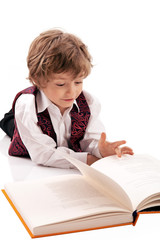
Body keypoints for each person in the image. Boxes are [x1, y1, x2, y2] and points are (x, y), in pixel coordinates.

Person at [0, 29, 133, 168]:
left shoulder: (89, 103)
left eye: (78, 82)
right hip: (24, 120)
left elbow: (90, 140)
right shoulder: (28, 107)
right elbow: (44, 154)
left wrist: (100, 150)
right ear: (37, 80)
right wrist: (88, 160)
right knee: (9, 122)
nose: (72, 92)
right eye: (61, 84)